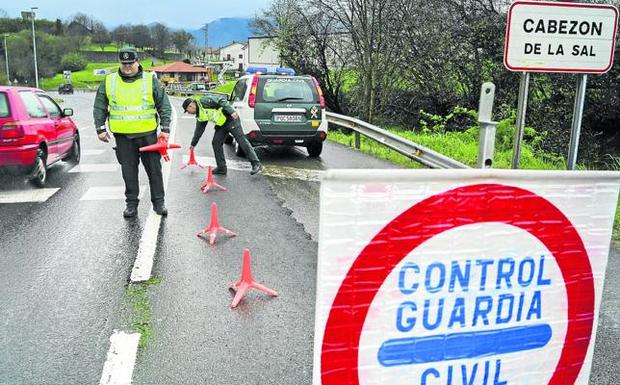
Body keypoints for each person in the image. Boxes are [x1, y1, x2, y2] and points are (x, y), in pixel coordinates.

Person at [93, 47, 172, 218]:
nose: (128, 66)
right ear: (119, 63)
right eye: (124, 63)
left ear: (137, 62)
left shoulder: (150, 80)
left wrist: (165, 129)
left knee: (154, 171)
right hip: (123, 137)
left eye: (131, 63)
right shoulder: (109, 81)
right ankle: (131, 205)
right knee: (128, 172)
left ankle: (159, 203)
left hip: (148, 135)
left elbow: (164, 105)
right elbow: (100, 105)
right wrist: (100, 128)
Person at [182, 95, 262, 175]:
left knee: (241, 140)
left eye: (187, 110)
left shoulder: (204, 101)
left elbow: (220, 99)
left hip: (231, 119)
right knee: (216, 143)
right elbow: (199, 131)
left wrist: (231, 111)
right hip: (221, 124)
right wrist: (193, 144)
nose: (188, 113)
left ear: (191, 105)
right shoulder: (200, 115)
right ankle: (221, 168)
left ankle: (256, 163)